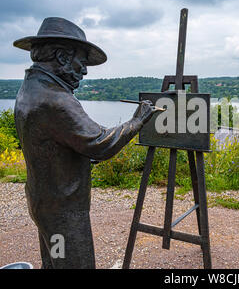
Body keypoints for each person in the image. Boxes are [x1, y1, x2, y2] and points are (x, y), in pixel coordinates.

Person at [13, 17, 156, 268]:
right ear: (62, 57)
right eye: (81, 61)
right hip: (64, 211)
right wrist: (137, 121)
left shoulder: (30, 88)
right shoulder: (56, 100)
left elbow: (54, 141)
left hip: (44, 201)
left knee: (56, 261)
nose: (85, 70)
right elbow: (101, 143)